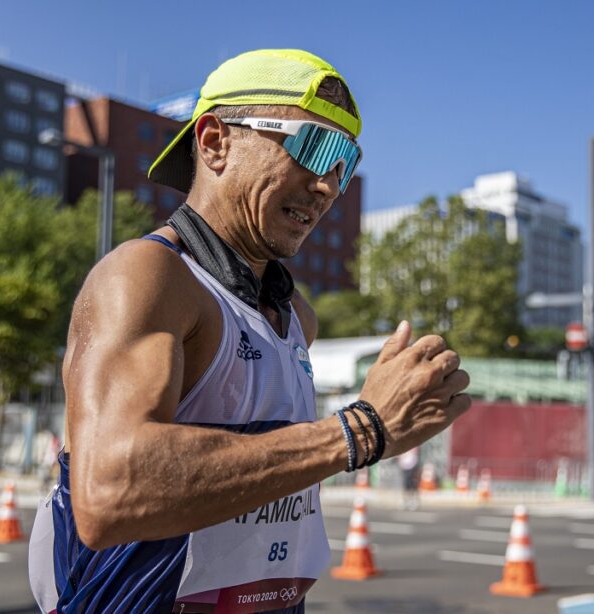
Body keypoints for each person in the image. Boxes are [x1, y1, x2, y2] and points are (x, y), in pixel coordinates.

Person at [28, 49, 472, 613]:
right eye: (314, 149)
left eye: (345, 161)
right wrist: (357, 431)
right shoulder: (149, 277)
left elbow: (258, 486)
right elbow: (111, 491)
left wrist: (376, 432)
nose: (328, 186)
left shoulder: (295, 317)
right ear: (214, 142)